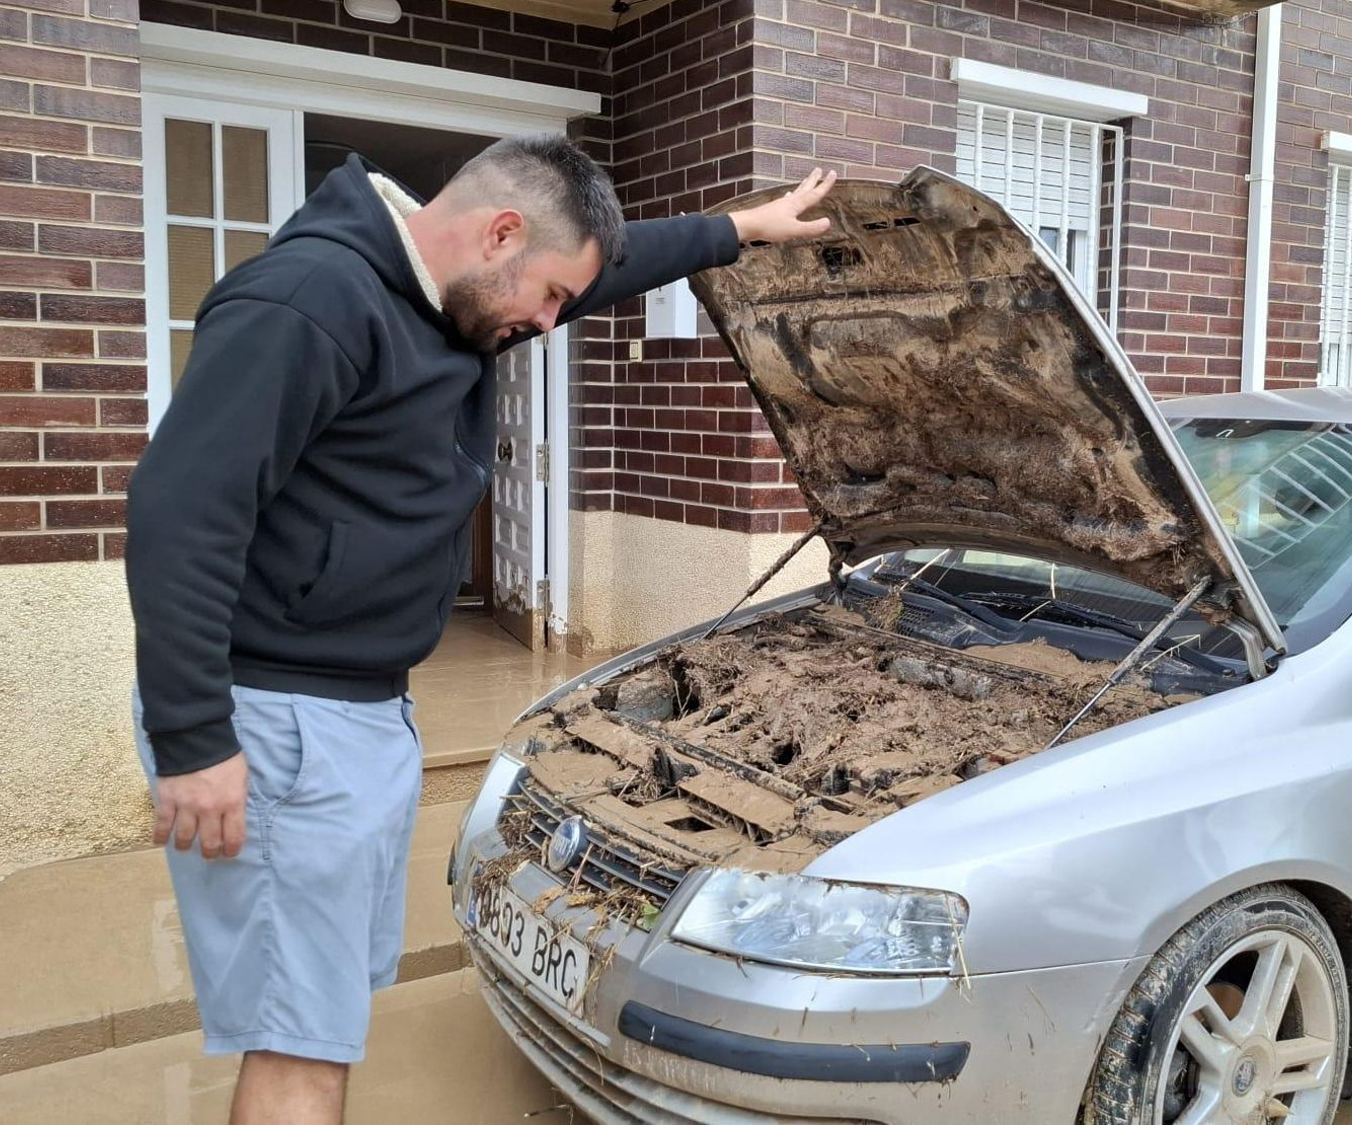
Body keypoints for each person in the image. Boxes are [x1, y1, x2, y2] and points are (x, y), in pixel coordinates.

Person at [125, 136, 835, 1124]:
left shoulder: (454, 290)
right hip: (280, 721)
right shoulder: (307, 301)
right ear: (498, 232)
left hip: (354, 715)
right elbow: (180, 513)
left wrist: (736, 232)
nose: (549, 322)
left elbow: (598, 268)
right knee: (300, 1039)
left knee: (317, 1014)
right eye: (546, 296)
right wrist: (195, 736)